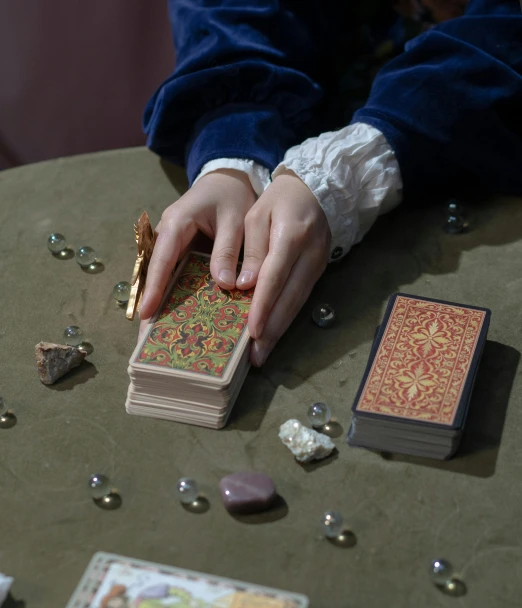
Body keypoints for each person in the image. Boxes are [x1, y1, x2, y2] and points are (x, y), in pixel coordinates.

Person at [138, 0, 522, 367]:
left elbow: (503, 36)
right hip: (292, 140)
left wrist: (343, 174)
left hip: (472, 160)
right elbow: (228, 12)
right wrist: (232, 154)